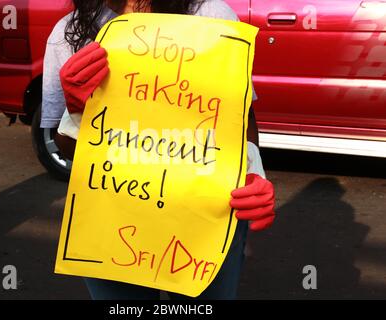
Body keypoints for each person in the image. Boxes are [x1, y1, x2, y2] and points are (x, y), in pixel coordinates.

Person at [42, 0, 275, 300]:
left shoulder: (210, 15)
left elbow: (241, 117)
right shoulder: (67, 34)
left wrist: (254, 171)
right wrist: (75, 111)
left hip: (204, 221)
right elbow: (68, 147)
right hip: (113, 221)